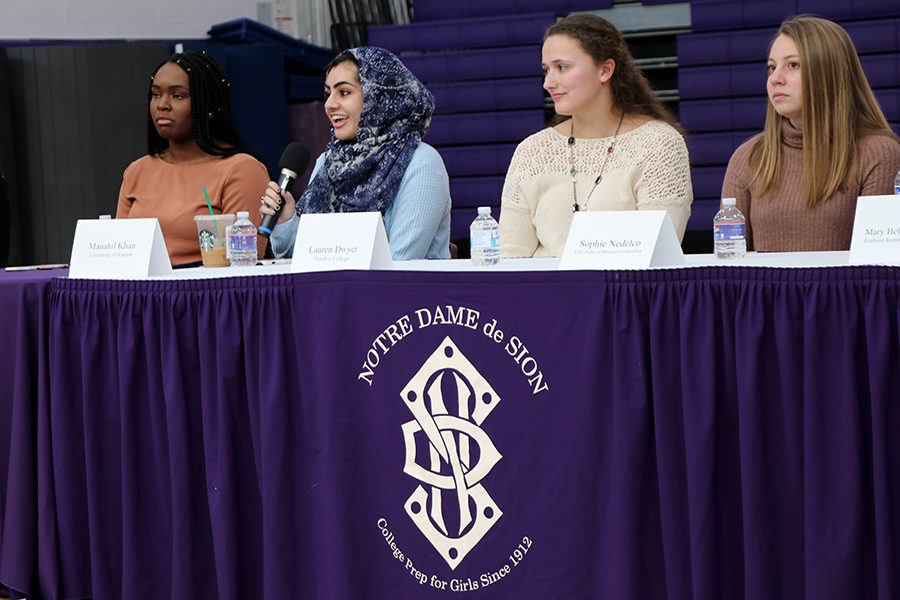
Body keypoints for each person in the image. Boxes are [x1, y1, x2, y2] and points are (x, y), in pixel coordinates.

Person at [499, 14, 693, 258]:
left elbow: (656, 254)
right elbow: (509, 257)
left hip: (625, 294)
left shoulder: (659, 144)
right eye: (546, 70)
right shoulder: (532, 150)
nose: (548, 82)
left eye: (562, 67)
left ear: (605, 70)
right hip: (543, 294)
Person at [722, 16, 900, 252]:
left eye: (793, 65)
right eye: (772, 67)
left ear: (832, 73)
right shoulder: (747, 157)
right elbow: (729, 266)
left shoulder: (878, 153)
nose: (775, 79)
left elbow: (877, 268)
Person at [260, 46, 451, 260]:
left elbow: (400, 264)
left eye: (344, 92)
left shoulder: (421, 164)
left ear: (379, 96)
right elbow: (306, 257)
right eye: (328, 93)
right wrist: (286, 220)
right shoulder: (329, 162)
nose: (329, 104)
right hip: (335, 290)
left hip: (399, 293)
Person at [117, 50, 270, 265]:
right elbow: (116, 256)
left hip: (206, 295)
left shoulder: (242, 169)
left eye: (177, 95)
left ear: (209, 107)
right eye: (156, 94)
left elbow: (246, 264)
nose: (163, 104)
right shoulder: (137, 171)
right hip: (139, 296)